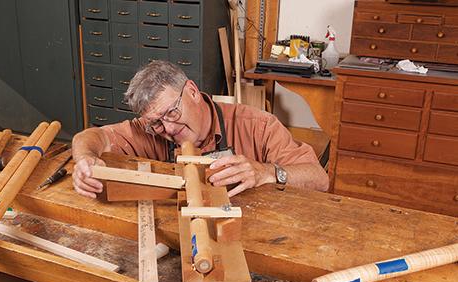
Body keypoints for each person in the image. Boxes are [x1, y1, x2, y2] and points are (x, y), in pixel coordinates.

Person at [72, 60, 329, 199]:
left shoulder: (258, 126)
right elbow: (90, 137)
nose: (169, 129)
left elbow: (318, 178)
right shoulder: (151, 129)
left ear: (192, 92)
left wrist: (267, 172)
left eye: (173, 112)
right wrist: (85, 159)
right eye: (157, 122)